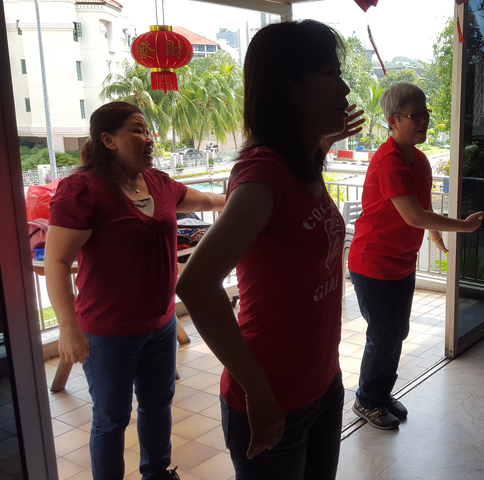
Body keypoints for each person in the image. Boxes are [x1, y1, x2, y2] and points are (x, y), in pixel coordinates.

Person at [174, 20, 364, 478]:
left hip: (323, 383)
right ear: (290, 89)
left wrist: (320, 144)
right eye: (330, 73)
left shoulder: (302, 166)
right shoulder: (264, 173)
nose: (343, 88)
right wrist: (258, 393)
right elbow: (195, 285)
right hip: (273, 397)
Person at [44, 101, 226, 480]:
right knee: (111, 419)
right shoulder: (84, 191)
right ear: (108, 140)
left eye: (147, 130)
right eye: (138, 130)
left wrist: (251, 199)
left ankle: (157, 474)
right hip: (107, 333)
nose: (149, 138)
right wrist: (68, 328)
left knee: (158, 405)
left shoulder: (159, 184)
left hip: (160, 324)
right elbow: (57, 262)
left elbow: (210, 200)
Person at [346, 81, 484, 429]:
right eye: (414, 116)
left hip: (402, 262)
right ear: (392, 121)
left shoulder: (419, 160)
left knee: (398, 332)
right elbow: (413, 216)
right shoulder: (388, 162)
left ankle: (380, 393)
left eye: (425, 113)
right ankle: (366, 400)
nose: (423, 121)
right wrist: (463, 227)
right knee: (384, 334)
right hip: (373, 263)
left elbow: (421, 207)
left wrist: (434, 231)